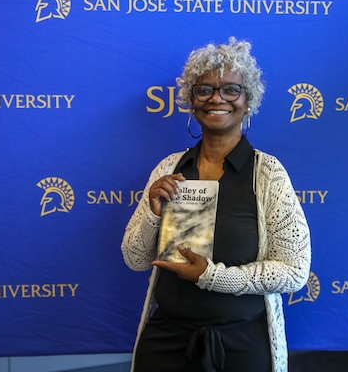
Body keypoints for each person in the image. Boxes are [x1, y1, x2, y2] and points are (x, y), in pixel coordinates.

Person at [121, 37, 311, 372]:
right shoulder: (169, 168)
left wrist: (213, 277)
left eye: (230, 90)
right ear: (192, 101)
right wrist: (153, 212)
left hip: (241, 345)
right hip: (167, 342)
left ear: (247, 100)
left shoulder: (267, 174)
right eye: (204, 89)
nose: (216, 99)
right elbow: (135, 260)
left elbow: (294, 273)